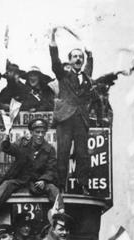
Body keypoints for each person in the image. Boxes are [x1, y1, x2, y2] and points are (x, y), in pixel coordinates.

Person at [0, 119, 62, 220]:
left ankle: (61, 212)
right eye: (37, 132)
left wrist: (44, 180)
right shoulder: (22, 144)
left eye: (43, 132)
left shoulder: (50, 149)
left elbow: (51, 169)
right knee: (7, 184)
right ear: (31, 132)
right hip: (21, 179)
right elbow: (9, 149)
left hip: (37, 182)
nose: (40, 135)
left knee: (53, 189)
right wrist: (7, 137)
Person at [49, 28, 94, 195]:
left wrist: (89, 55)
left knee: (82, 154)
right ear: (69, 60)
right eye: (74, 56)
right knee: (63, 153)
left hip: (81, 119)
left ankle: (83, 186)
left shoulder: (86, 76)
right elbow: (55, 62)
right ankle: (61, 186)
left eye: (80, 57)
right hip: (66, 119)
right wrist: (53, 40)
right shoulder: (63, 75)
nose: (77, 59)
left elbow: (90, 66)